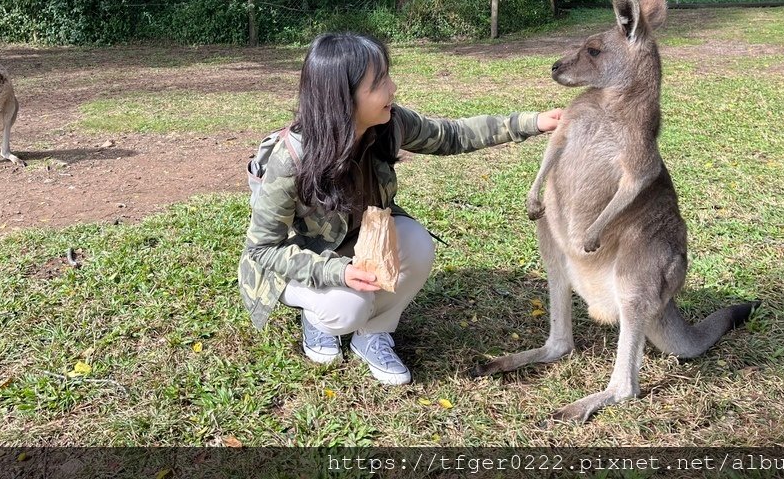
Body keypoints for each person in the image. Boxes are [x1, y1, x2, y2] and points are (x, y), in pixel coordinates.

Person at [238, 32, 562, 385]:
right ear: (342, 99)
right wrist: (337, 274)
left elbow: (451, 134)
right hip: (295, 261)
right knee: (348, 308)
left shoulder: (387, 123)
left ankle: (373, 333)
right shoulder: (291, 158)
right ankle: (315, 319)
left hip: (355, 239)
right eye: (379, 83)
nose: (392, 89)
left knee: (418, 245)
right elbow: (262, 249)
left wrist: (532, 123)